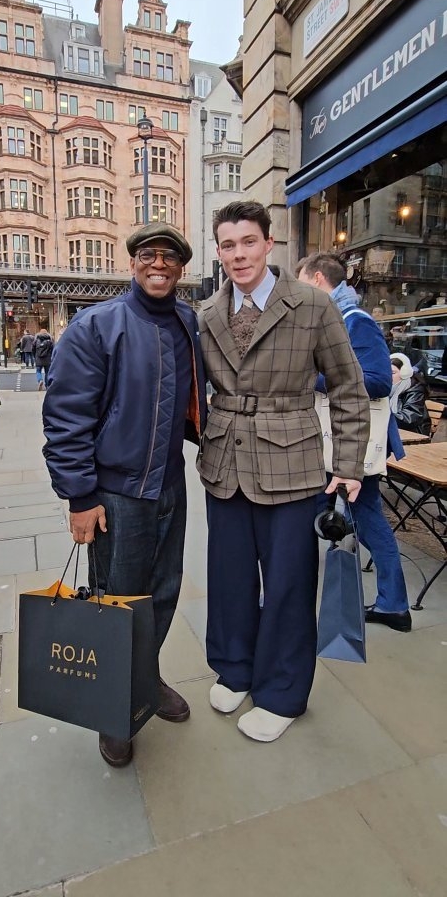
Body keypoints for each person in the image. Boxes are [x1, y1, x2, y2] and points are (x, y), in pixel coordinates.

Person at [198, 201, 369, 744]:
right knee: (228, 581)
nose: (238, 254)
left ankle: (282, 692)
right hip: (224, 462)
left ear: (269, 244)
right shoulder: (205, 314)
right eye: (228, 245)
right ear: (218, 251)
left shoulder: (313, 305)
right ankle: (235, 668)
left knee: (290, 585)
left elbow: (347, 388)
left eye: (248, 242)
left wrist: (348, 466)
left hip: (292, 463)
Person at [43, 222, 207, 768]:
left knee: (162, 592)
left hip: (168, 484)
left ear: (181, 268)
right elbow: (67, 418)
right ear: (132, 262)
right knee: (116, 598)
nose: (158, 264)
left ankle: (146, 676)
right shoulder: (98, 325)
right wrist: (79, 497)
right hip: (115, 495)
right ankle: (113, 708)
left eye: (169, 257)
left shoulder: (188, 322)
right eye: (148, 255)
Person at [296, 253, 412, 633]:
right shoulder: (331, 321)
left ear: (316, 280)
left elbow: (379, 381)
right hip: (333, 444)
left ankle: (394, 604)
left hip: (352, 444)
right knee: (315, 518)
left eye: (301, 282)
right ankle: (295, 597)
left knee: (368, 522)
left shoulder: (355, 322)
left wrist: (314, 378)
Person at [390, 353, 431, 436]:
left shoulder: (416, 391)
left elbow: (409, 419)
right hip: (395, 432)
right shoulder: (385, 389)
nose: (388, 376)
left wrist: (384, 415)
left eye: (393, 373)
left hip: (414, 434)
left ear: (404, 374)